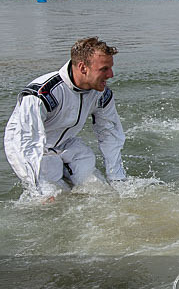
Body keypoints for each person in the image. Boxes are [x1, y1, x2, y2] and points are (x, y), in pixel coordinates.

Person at [4, 37, 126, 199]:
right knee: (55, 198)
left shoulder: (102, 94)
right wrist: (38, 187)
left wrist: (117, 178)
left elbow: (109, 134)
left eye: (110, 68)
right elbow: (28, 142)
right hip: (29, 147)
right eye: (104, 69)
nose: (111, 74)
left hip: (67, 144)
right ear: (83, 68)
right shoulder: (43, 94)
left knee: (101, 191)